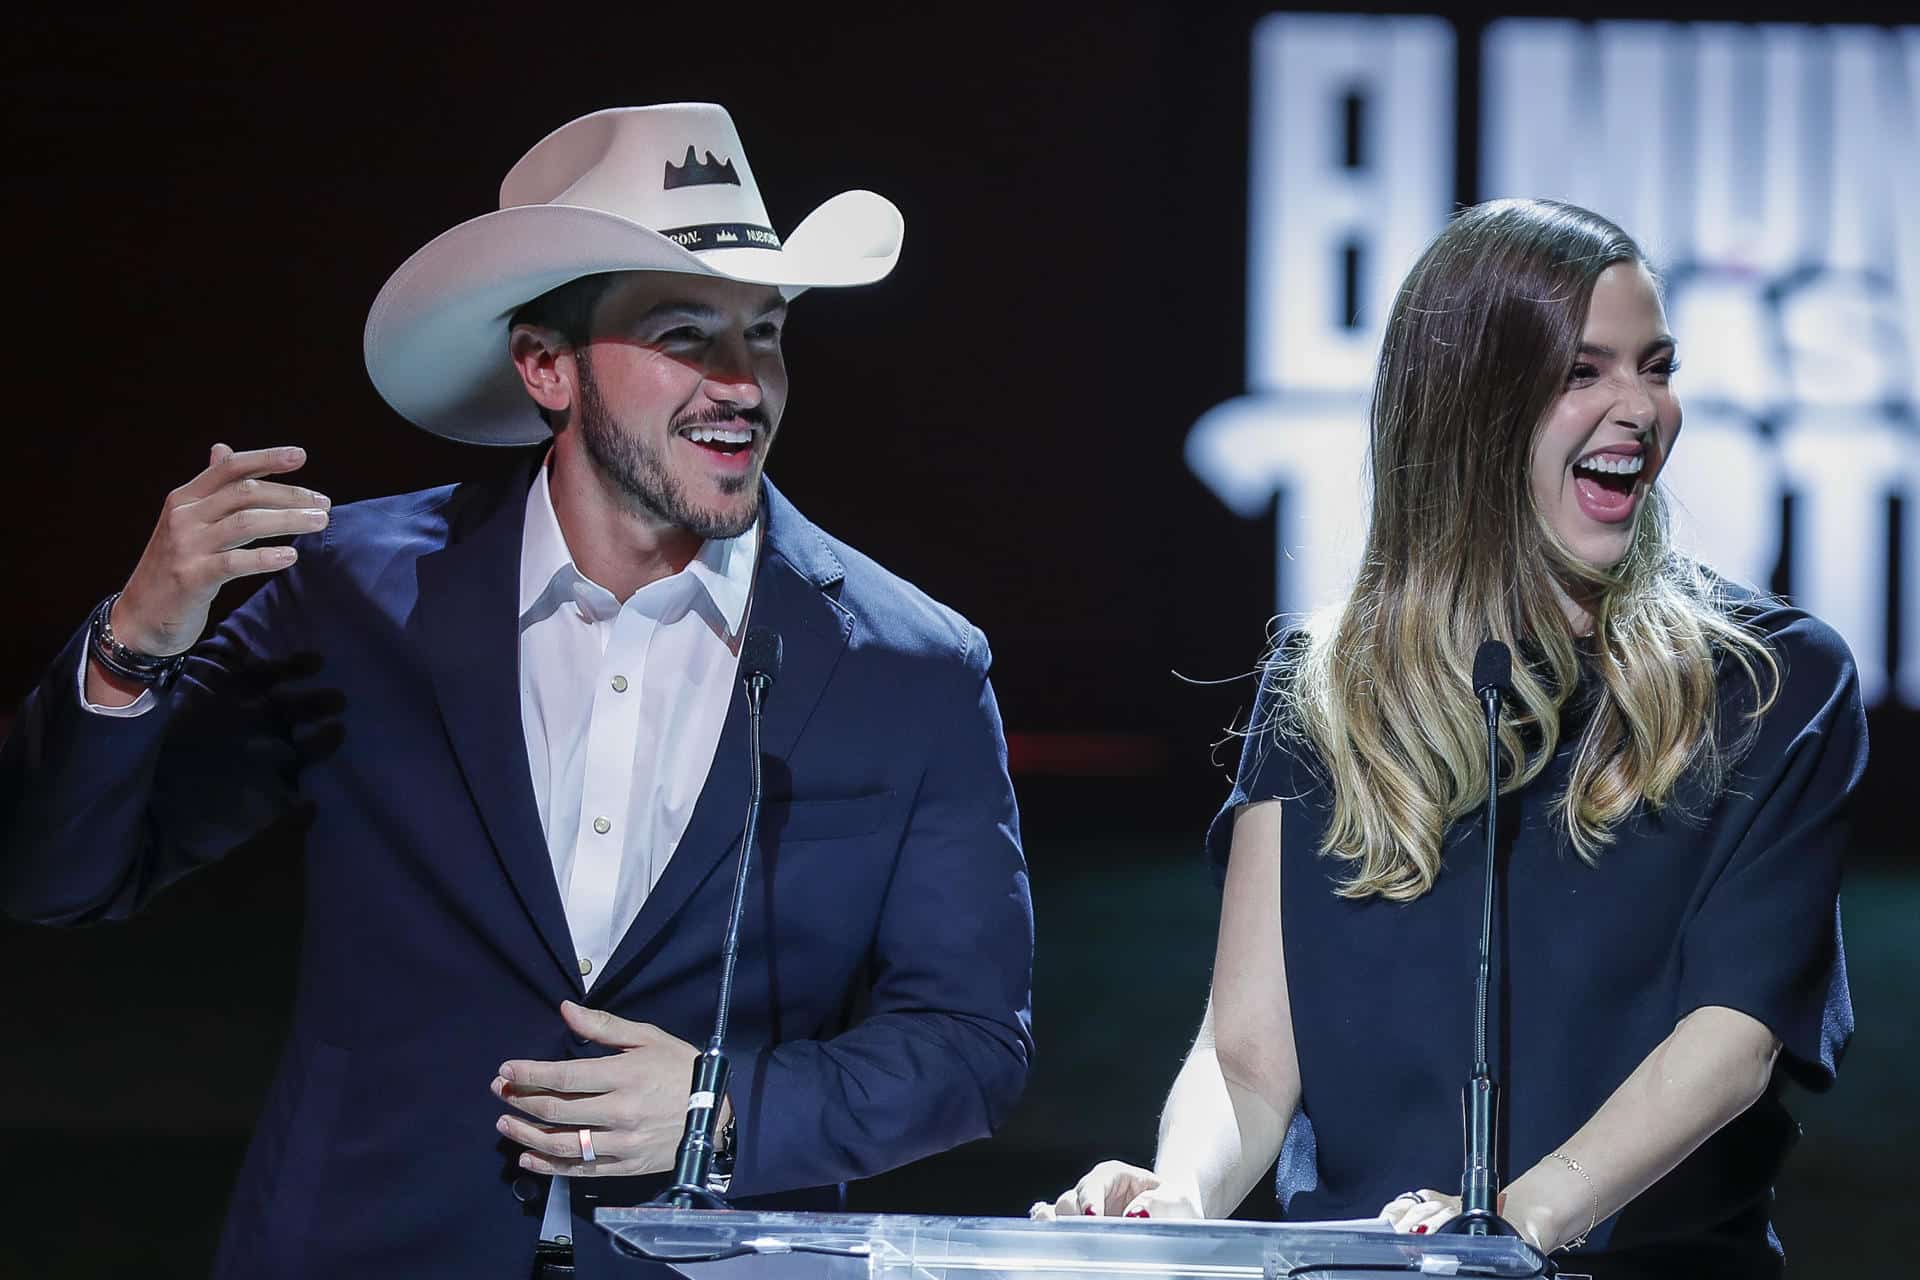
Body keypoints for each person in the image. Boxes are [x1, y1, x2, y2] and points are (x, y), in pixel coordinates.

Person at [0, 104, 1034, 1279]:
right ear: (546, 365)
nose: (742, 383)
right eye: (685, 333)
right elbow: (59, 878)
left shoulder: (909, 664)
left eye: (765, 332)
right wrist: (134, 643)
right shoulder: (358, 596)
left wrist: (722, 1108)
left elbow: (971, 1047)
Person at [1037, 200, 1863, 1278]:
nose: (1641, 409)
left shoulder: (1770, 680)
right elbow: (1246, 1058)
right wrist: (1179, 1195)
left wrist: (1516, 1217)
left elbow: (1734, 1037)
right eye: (1582, 373)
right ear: (1469, 405)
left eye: (1655, 368)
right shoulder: (1326, 686)